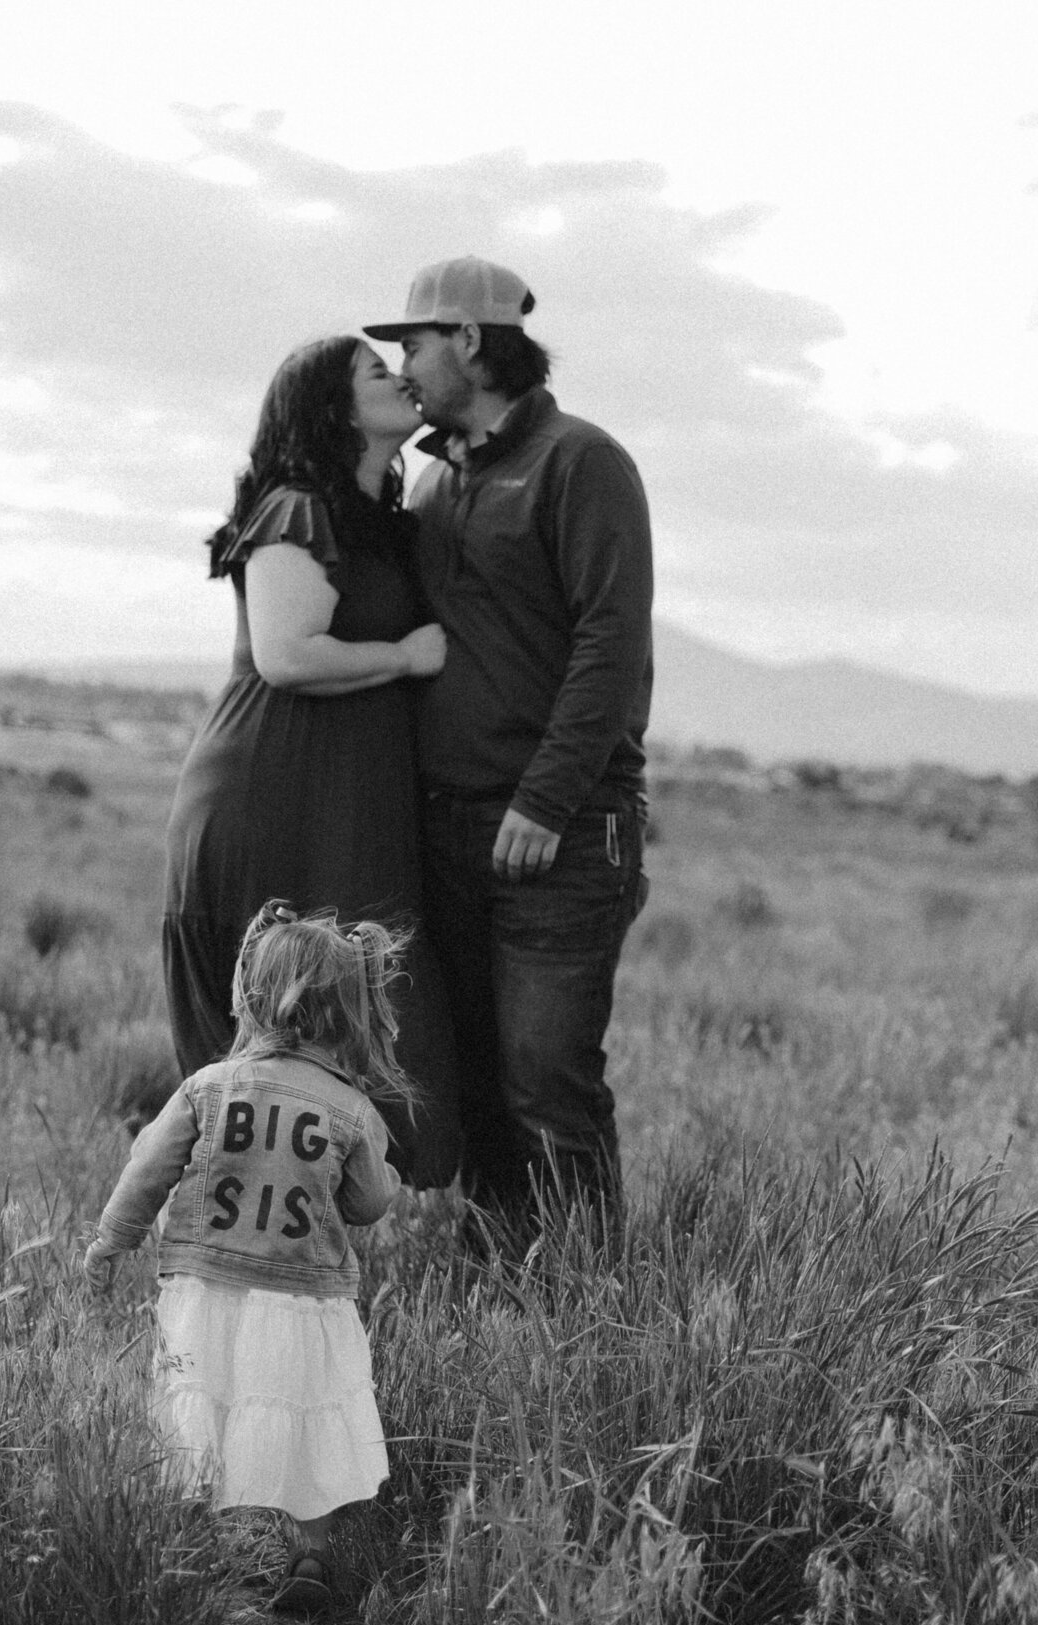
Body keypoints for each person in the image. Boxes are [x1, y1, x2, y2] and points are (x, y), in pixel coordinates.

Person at [365, 257, 653, 1246]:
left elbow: (611, 646)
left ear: (473, 343)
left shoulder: (582, 461)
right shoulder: (435, 474)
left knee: (547, 1086)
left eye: (414, 341)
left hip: (559, 837)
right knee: (476, 1079)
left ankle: (586, 1309)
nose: (401, 361)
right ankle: (502, 1281)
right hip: (449, 828)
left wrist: (546, 801)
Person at [163, 334, 459, 1186]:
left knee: (371, 994)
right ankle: (239, 1234)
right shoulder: (295, 504)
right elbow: (286, 654)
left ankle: (332, 1216)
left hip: (350, 794)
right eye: (377, 371)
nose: (401, 378)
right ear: (332, 406)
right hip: (275, 785)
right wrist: (404, 657)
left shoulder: (381, 524)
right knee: (280, 1015)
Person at [84, 901, 410, 1615]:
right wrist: (384, 1175)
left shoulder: (207, 1087)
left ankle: (179, 1552)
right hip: (301, 1298)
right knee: (300, 1420)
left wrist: (113, 1239)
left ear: (254, 997)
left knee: (192, 1414)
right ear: (349, 1010)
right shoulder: (352, 1110)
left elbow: (147, 1170)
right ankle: (311, 1556)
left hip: (203, 1286)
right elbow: (366, 1205)